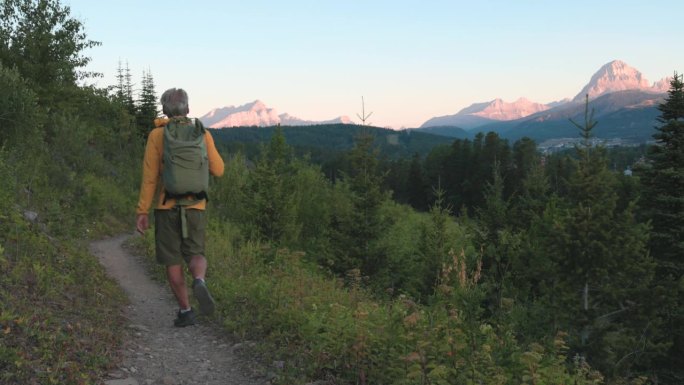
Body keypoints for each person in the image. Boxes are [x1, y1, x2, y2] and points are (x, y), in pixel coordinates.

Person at [135, 88, 225, 327]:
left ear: (165, 110)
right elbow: (219, 170)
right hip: (195, 205)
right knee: (196, 254)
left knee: (172, 261)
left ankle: (185, 310)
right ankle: (199, 280)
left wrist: (142, 211)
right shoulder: (201, 133)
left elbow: (150, 177)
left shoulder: (157, 135)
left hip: (166, 208)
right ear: (187, 108)